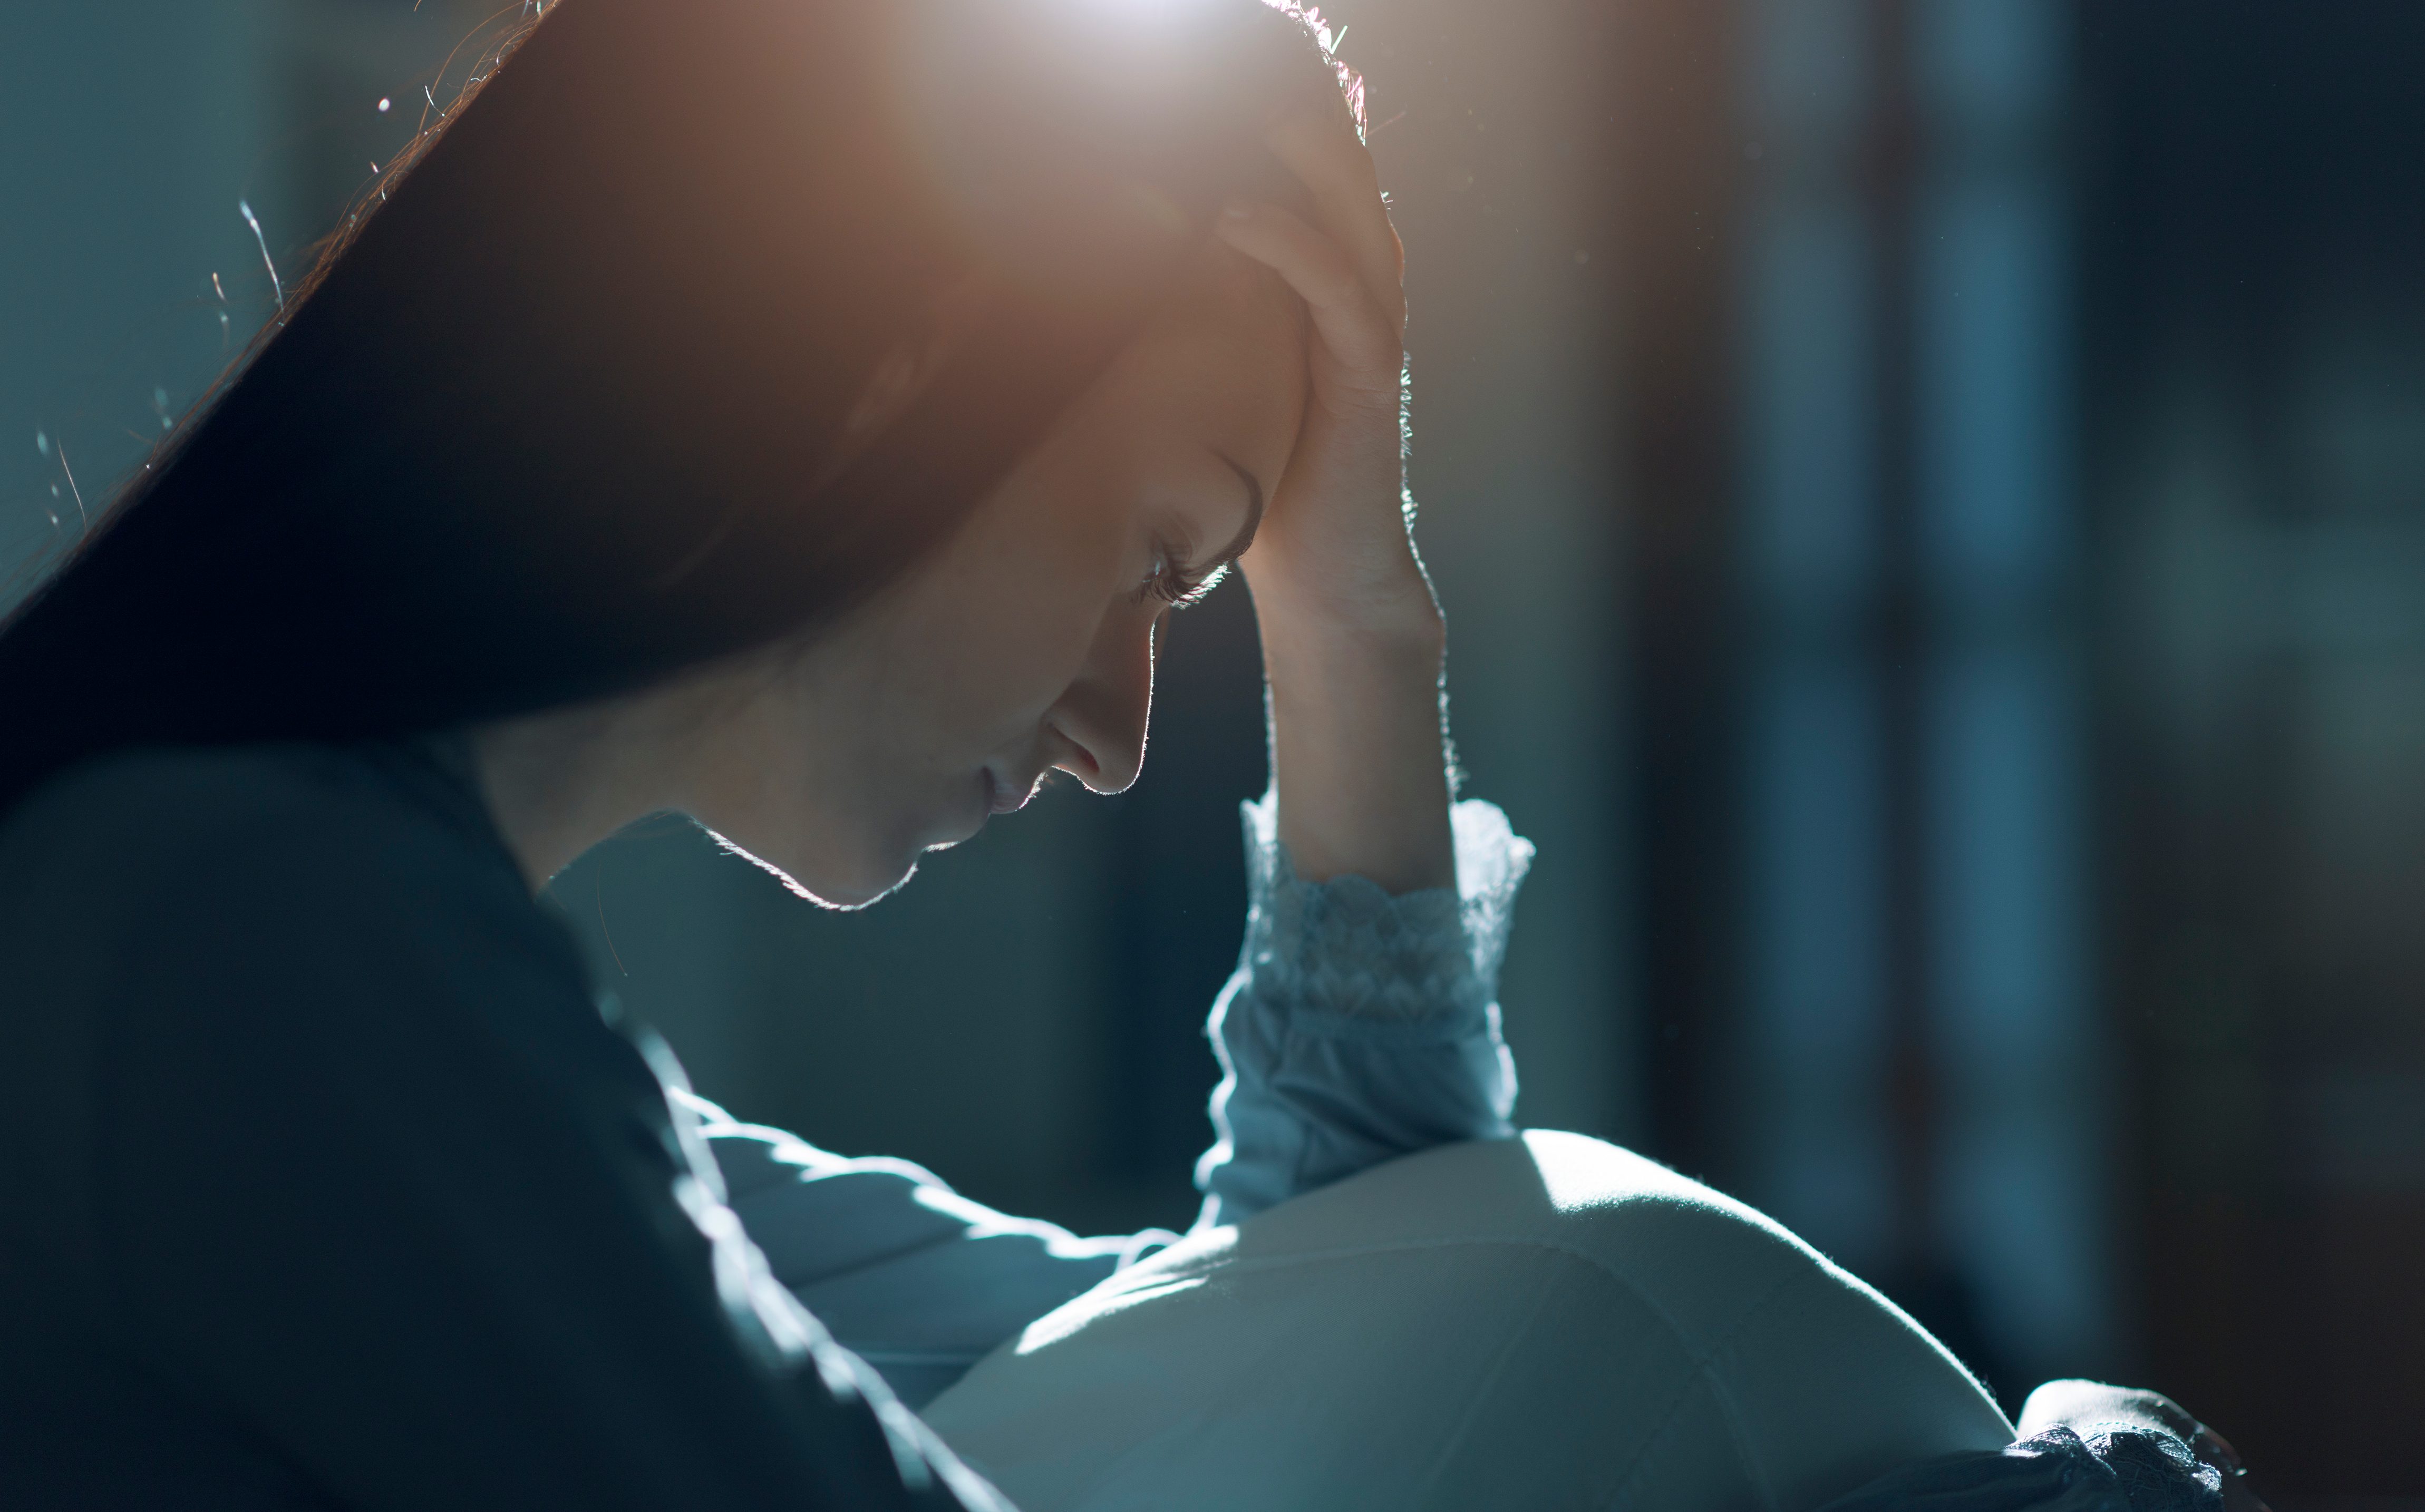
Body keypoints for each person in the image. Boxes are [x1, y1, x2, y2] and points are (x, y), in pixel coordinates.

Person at [0, 0, 2255, 1507]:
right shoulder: (254, 950)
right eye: (1154, 558)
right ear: (888, 370)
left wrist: (1352, 610)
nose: (1108, 733)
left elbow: (1308, 1330)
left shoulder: (432, 1014)